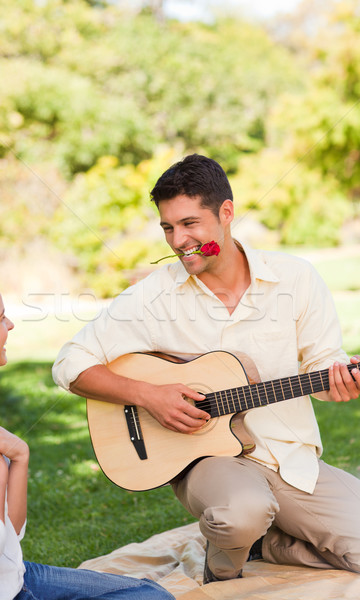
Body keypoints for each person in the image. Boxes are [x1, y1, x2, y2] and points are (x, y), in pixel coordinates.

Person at [52, 154, 360, 583]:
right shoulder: (153, 296)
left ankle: (266, 545)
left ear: (227, 213)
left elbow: (323, 370)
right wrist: (150, 395)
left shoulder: (297, 279)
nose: (178, 240)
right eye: (168, 228)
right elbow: (70, 363)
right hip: (206, 459)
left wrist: (340, 382)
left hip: (290, 458)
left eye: (190, 224)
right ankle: (228, 556)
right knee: (241, 512)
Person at [0, 272, 175, 600]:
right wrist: (1, 474)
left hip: (14, 576)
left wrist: (19, 455)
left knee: (152, 594)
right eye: (1, 318)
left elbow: (12, 535)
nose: (11, 326)